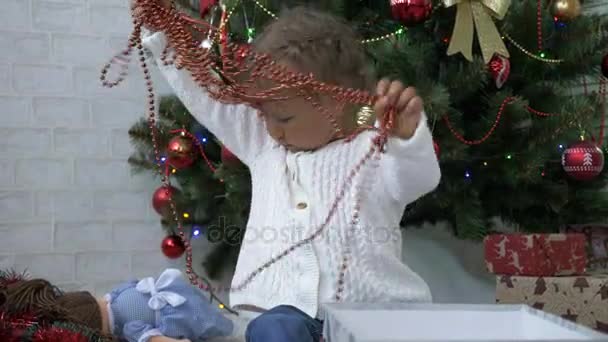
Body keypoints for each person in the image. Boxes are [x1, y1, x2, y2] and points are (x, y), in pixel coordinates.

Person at [133, 1, 442, 341]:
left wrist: (407, 138)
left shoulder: (373, 148)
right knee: (273, 329)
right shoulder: (264, 144)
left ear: (335, 103)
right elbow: (203, 94)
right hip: (276, 314)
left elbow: (419, 178)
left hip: (371, 317)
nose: (271, 127)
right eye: (263, 114)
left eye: (284, 118)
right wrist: (161, 32)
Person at [0, 268, 233, 342]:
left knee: (216, 324)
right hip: (172, 291)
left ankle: (224, 326)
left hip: (182, 311)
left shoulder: (130, 328)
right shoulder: (116, 295)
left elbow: (155, 339)